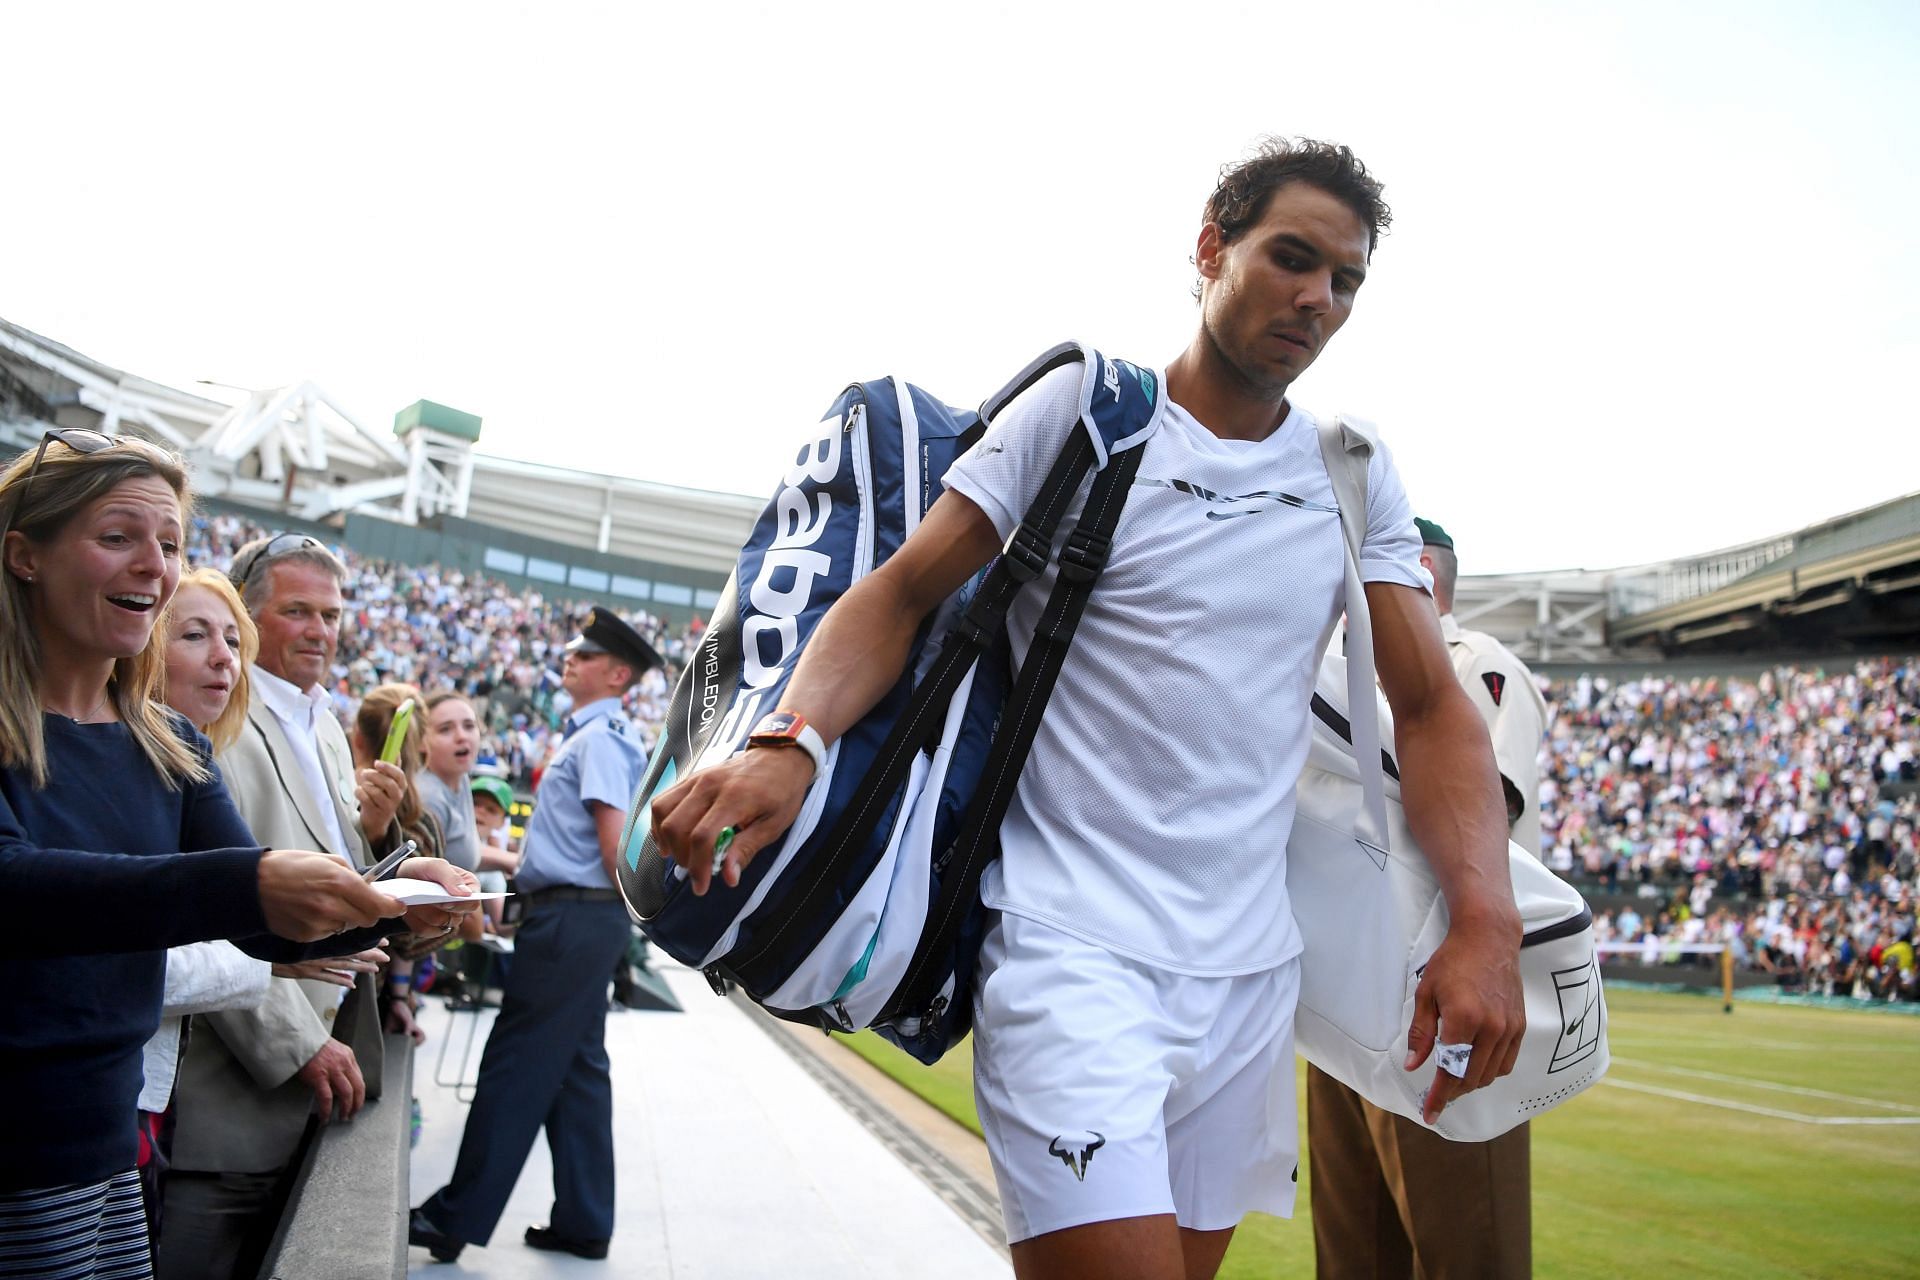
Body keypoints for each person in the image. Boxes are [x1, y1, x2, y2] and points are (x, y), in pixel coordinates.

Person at [649, 137, 1525, 1280]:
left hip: (1250, 981)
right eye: (1292, 257)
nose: (1317, 299)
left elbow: (1432, 705)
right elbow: (902, 591)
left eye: (1345, 280)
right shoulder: (1089, 411)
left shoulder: (1352, 472)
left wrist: (1486, 918)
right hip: (1072, 954)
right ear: (1210, 247)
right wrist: (790, 739)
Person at [0, 431, 440, 1280]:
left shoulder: (170, 747)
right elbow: (16, 886)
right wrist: (250, 883)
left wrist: (396, 893)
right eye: (118, 537)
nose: (153, 567)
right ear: (25, 555)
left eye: (168, 544)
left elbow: (266, 929)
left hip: (107, 1151)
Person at [159, 535, 479, 1280]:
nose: (320, 630)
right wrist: (294, 1044)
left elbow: (333, 876)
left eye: (331, 614)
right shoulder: (208, 716)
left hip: (325, 1073)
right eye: (296, 610)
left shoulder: (325, 726)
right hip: (230, 1100)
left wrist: (406, 881)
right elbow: (204, 906)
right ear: (247, 612)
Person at [1307, 516, 1550, 1279]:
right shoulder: (1343, 668)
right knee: (1355, 1251)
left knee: (1466, 1248)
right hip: (1350, 990)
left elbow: (1482, 807)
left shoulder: (1468, 661)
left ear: (1413, 566)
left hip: (1446, 989)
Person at [139, 568, 388, 1233]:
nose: (224, 656)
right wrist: (276, 964)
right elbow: (125, 941)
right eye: (196, 635)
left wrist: (395, 867)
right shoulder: (204, 739)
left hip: (159, 1098)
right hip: (188, 1101)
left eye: (332, 614)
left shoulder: (323, 725)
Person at [411, 606, 660, 1264]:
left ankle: (452, 1217)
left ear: (618, 674)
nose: (570, 659)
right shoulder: (595, 733)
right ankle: (583, 1219)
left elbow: (615, 850)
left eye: (586, 655)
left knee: (515, 1064)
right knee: (577, 1072)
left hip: (575, 916)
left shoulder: (602, 737)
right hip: (579, 916)